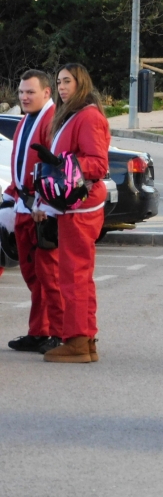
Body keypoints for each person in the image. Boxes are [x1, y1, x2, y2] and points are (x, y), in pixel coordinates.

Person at [33, 63, 110, 363]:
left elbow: (98, 163)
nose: (62, 87)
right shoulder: (76, 115)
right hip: (75, 203)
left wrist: (64, 166)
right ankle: (85, 339)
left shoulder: (88, 116)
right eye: (60, 82)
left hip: (81, 203)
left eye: (68, 82)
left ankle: (78, 341)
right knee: (79, 273)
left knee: (74, 274)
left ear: (82, 83)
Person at [2, 69, 64, 354]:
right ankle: (39, 331)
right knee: (32, 274)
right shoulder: (26, 120)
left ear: (46, 93)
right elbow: (20, 165)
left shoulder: (50, 121)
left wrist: (42, 204)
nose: (24, 97)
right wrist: (10, 195)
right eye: (22, 92)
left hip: (41, 210)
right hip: (23, 206)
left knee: (49, 276)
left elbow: (54, 166)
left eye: (30, 92)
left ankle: (59, 333)